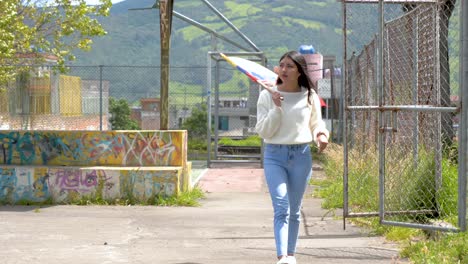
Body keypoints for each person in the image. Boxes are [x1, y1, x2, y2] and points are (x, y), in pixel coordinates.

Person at [255, 50, 329, 264]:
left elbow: (316, 123)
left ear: (299, 71)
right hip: (274, 156)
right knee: (281, 207)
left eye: (290, 66)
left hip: (301, 155)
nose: (284, 70)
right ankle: (282, 257)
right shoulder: (266, 95)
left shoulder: (309, 95)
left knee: (294, 210)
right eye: (281, 65)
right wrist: (276, 108)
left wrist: (321, 135)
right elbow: (263, 131)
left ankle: (291, 255)